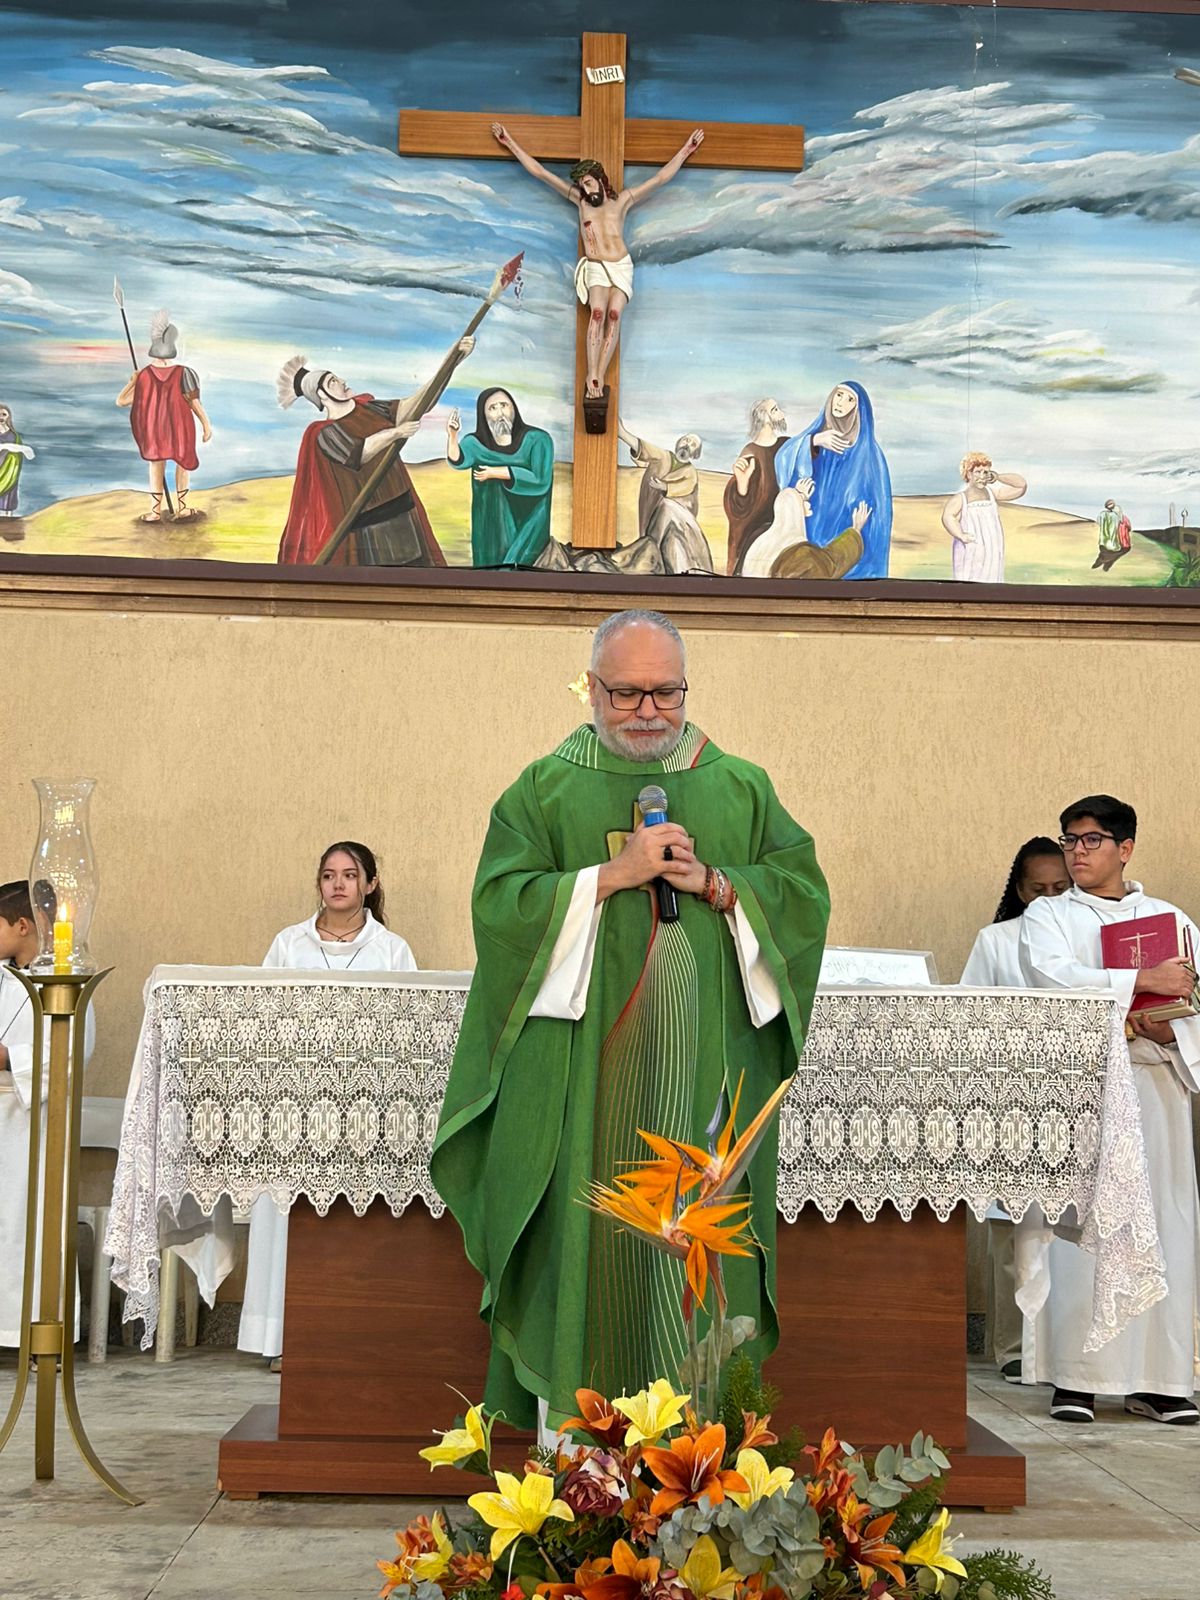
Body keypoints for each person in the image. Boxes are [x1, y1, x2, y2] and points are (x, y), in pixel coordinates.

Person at [431, 608, 829, 1429]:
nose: (648, 711)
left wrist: (720, 886)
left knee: (693, 1257)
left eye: (665, 693)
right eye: (626, 694)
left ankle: (701, 1472)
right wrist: (606, 878)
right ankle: (579, 1480)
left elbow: (802, 897)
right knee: (592, 1253)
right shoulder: (543, 788)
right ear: (592, 689)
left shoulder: (739, 785)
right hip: (587, 1088)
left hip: (703, 1082)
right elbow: (500, 908)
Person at [1018, 795, 1200, 1425]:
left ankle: (1161, 1380)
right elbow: (1050, 977)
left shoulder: (1172, 919)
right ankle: (1077, 1378)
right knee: (1085, 1229)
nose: (1077, 851)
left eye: (1090, 840)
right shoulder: (1048, 915)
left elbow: (1194, 998)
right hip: (1088, 1090)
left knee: (1165, 1224)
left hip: (1157, 1088)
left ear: (1124, 848)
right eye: (1069, 840)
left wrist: (1172, 1031)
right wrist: (1144, 980)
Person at [238, 843, 416, 1363]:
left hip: (365, 1109)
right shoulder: (289, 942)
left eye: (349, 875)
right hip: (297, 1105)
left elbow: (407, 1022)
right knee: (290, 1215)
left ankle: (352, 1331)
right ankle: (281, 1338)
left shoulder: (391, 949)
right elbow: (263, 1014)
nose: (338, 884)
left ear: (370, 884)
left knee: (355, 1220)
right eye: (328, 875)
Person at [960, 837, 1071, 1381]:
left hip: (1078, 1101)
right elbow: (971, 1015)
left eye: (1061, 887)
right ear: (1018, 891)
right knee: (1014, 1233)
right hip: (1014, 1102)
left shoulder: (1086, 938)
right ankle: (1014, 1348)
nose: (1048, 898)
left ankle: (1070, 1349)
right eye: (1037, 889)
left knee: (1070, 1233)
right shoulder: (996, 940)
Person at [492, 122, 704, 403]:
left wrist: (685, 151)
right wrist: (510, 143)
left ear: (601, 180)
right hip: (595, 266)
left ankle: (600, 375)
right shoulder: (580, 203)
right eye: (581, 184)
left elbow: (660, 179)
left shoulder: (623, 201)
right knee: (597, 314)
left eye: (588, 182)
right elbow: (541, 173)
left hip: (620, 265)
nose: (584, 188)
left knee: (614, 316)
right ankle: (592, 374)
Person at [276, 337, 474, 566]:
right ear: (321, 396)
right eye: (332, 382)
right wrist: (395, 433)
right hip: (372, 530)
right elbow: (359, 452)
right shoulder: (324, 433)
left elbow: (418, 403)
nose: (342, 381)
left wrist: (453, 361)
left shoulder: (370, 407)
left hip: (406, 513)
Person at [0, 880, 95, 1348]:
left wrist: (7, 1060)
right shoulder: (1, 975)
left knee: (32, 1224)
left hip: (33, 1123)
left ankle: (41, 1336)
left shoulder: (64, 978)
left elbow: (71, 1051)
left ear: (22, 925)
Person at [775, 383, 893, 579]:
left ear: (858, 409)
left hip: (847, 528)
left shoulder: (869, 453)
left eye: (850, 400)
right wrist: (814, 442)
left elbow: (877, 506)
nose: (841, 402)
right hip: (812, 527)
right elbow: (782, 460)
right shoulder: (815, 436)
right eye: (839, 395)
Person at [115, 312, 212, 523]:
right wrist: (206, 424)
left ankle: (155, 512)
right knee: (182, 465)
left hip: (155, 429)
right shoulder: (184, 373)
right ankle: (182, 508)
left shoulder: (144, 376)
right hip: (179, 427)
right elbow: (194, 403)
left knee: (156, 466)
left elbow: (122, 400)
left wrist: (133, 381)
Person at [447, 388, 554, 567]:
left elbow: (541, 481)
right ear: (484, 415)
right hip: (493, 524)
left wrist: (496, 472)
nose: (500, 413)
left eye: (504, 405)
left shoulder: (538, 440)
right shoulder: (475, 443)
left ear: (513, 408)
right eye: (492, 408)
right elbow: (458, 460)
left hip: (530, 520)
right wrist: (452, 435)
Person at [616, 419, 713, 574]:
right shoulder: (663, 456)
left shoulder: (690, 472)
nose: (688, 445)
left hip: (680, 522)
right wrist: (622, 434)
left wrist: (665, 487)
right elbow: (646, 449)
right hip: (652, 509)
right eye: (686, 440)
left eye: (693, 444)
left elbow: (685, 486)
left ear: (695, 453)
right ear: (679, 442)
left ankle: (652, 548)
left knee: (668, 509)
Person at [724, 398, 789, 575]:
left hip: (787, 519)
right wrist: (742, 485)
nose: (781, 412)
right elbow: (739, 508)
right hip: (760, 528)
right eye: (775, 409)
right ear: (765, 418)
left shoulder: (786, 445)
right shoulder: (750, 453)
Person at [942, 452, 1028, 584]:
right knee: (968, 580)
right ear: (968, 474)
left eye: (985, 472)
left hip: (991, 547)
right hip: (970, 547)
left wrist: (998, 477)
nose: (982, 476)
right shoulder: (961, 498)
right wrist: (960, 535)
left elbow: (1021, 486)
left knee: (992, 578)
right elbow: (948, 517)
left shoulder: (993, 494)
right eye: (977, 472)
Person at [0, 404, 34, 517]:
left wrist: (23, 450)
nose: (1, 417)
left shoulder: (14, 435)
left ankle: (8, 518)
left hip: (10, 471)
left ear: (8, 416)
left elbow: (20, 454)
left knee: (9, 494)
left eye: (4, 414)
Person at [1093, 499, 1130, 571]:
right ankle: (1104, 563)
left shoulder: (1107, 515)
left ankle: (1103, 563)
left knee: (1108, 552)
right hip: (1114, 540)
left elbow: (1098, 521)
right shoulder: (1113, 516)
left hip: (1109, 540)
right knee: (1111, 552)